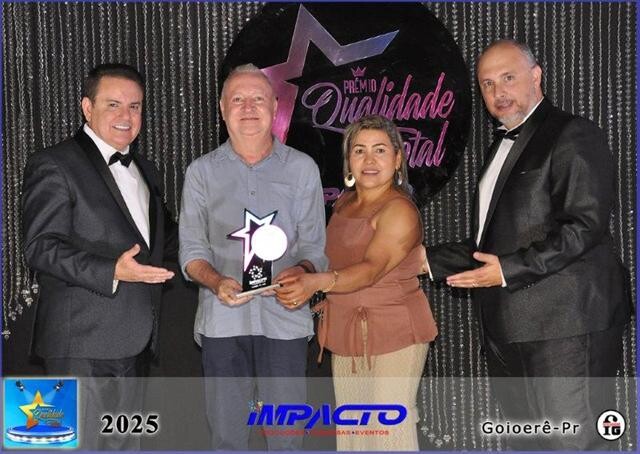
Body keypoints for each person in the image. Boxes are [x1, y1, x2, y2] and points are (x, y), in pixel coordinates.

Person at [425, 39, 631, 450]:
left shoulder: (573, 133)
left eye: (508, 78)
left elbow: (583, 227)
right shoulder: (499, 147)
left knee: (576, 444)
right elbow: (490, 245)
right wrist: (424, 260)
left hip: (567, 327)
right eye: (487, 84)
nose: (498, 92)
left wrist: (506, 270)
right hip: (509, 329)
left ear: (536, 77)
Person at [22, 63, 178, 448]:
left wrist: (231, 245)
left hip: (136, 345)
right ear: (87, 108)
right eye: (113, 104)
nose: (126, 115)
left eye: (135, 106)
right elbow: (40, 246)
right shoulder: (54, 163)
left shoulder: (147, 170)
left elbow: (168, 242)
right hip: (79, 347)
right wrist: (112, 270)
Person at [179, 63, 327, 450]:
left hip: (285, 322)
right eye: (238, 99)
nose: (248, 108)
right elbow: (191, 251)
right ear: (222, 108)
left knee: (287, 439)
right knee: (227, 438)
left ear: (275, 106)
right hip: (223, 323)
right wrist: (216, 281)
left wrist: (301, 272)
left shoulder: (302, 169)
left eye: (258, 99)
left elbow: (314, 248)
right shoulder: (200, 173)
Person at [277, 115, 438, 451]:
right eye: (359, 150)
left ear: (397, 159)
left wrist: (316, 283)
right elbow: (331, 259)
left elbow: (370, 270)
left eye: (380, 150)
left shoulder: (400, 210)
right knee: (353, 436)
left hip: (395, 332)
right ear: (348, 160)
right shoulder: (344, 204)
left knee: (388, 432)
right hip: (347, 331)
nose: (369, 160)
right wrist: (300, 273)